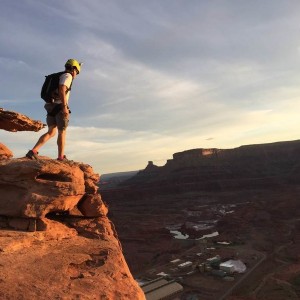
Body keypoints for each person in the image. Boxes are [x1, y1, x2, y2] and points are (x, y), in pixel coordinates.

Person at [26, 59, 81, 161]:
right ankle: (61, 157)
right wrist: (64, 107)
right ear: (74, 69)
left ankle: (33, 151)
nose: (76, 75)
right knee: (62, 131)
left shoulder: (57, 76)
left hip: (49, 106)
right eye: (77, 72)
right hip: (59, 106)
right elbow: (62, 89)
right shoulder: (67, 76)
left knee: (51, 132)